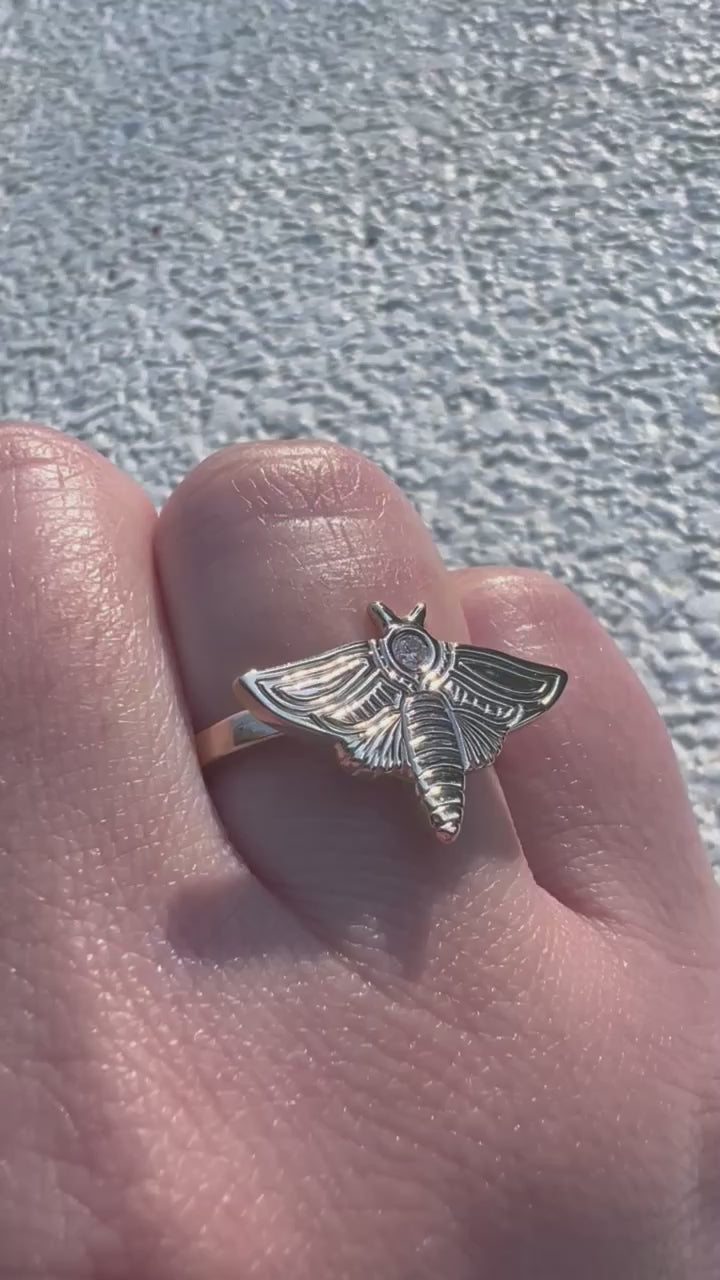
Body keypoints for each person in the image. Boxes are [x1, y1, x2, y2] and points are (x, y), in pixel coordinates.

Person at [0, 422, 717, 1279]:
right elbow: (276, 702)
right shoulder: (459, 667)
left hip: (398, 732)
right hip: (444, 724)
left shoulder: (365, 674)